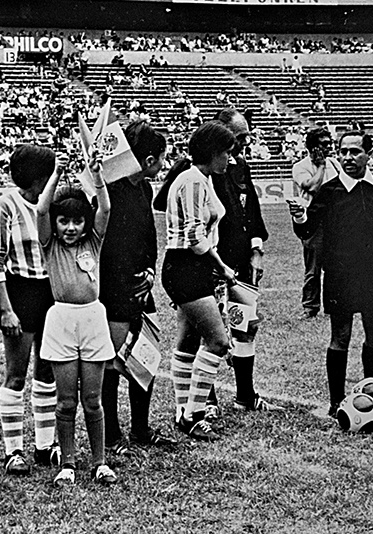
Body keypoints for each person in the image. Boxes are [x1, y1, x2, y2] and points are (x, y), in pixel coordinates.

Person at [289, 131, 373, 416]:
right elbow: (307, 230)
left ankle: (372, 393)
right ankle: (336, 400)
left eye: (354, 152)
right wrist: (300, 215)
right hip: (340, 275)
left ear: (369, 154)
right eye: (343, 152)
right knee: (340, 336)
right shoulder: (330, 191)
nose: (348, 158)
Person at [36, 147, 116, 487]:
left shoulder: (93, 243)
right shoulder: (50, 245)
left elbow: (106, 207)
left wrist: (96, 176)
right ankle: (67, 463)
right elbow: (41, 208)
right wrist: (57, 172)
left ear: (86, 223)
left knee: (92, 400)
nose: (70, 227)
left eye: (77, 221)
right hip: (61, 322)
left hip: (92, 320)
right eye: (64, 220)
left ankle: (99, 462)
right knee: (66, 401)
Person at [154, 121, 237, 442]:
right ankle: (195, 413)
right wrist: (222, 266)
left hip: (192, 266)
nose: (230, 159)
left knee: (188, 341)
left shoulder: (200, 179)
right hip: (187, 266)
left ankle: (182, 411)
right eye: (227, 153)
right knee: (218, 342)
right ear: (213, 153)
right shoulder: (192, 181)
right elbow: (193, 235)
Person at [99, 121, 177, 457]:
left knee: (145, 358)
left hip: (141, 287)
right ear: (147, 160)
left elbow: (148, 237)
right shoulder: (108, 192)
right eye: (161, 158)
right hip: (113, 290)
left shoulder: (144, 191)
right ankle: (112, 434)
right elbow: (102, 244)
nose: (163, 165)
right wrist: (120, 281)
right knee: (112, 364)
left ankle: (141, 428)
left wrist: (149, 270)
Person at [0, 144, 59, 477]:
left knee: (47, 372)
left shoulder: (52, 204)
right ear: (39, 176)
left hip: (52, 292)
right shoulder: (5, 205)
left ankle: (45, 446)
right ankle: (13, 450)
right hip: (20, 291)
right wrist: (5, 307)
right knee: (16, 373)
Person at [209, 109, 283, 413]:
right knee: (211, 331)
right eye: (240, 137)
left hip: (241, 265)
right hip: (212, 264)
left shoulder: (242, 167)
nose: (245, 143)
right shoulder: (203, 170)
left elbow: (252, 211)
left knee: (244, 326)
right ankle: (206, 400)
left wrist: (256, 250)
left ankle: (245, 396)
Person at [292, 128, 340, 319]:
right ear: (312, 147)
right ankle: (310, 307)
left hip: (335, 218)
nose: (328, 147)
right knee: (313, 266)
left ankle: (334, 304)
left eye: (329, 143)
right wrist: (320, 166)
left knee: (335, 264)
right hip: (313, 219)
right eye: (323, 143)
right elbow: (312, 187)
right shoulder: (300, 166)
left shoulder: (335, 164)